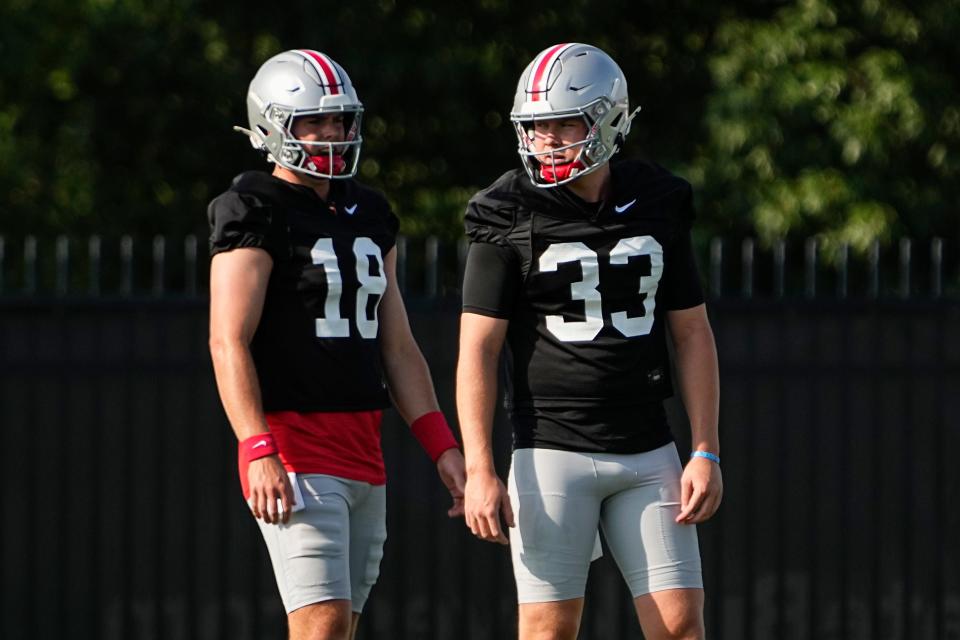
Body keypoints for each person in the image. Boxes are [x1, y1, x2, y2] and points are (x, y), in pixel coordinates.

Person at [457, 43, 722, 640]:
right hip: (551, 447)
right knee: (549, 631)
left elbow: (692, 330)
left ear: (610, 118)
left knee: (680, 626)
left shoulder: (658, 199)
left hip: (647, 446)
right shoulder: (505, 210)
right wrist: (480, 467)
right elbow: (478, 348)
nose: (547, 140)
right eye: (536, 126)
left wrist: (704, 447)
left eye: (562, 123)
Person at [207, 49, 466, 640]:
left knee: (340, 628)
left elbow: (396, 346)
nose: (331, 134)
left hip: (363, 450)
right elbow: (228, 340)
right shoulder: (254, 206)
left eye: (340, 120)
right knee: (320, 625)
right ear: (272, 125)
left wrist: (443, 448)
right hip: (296, 446)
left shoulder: (370, 212)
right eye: (312, 122)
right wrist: (257, 445)